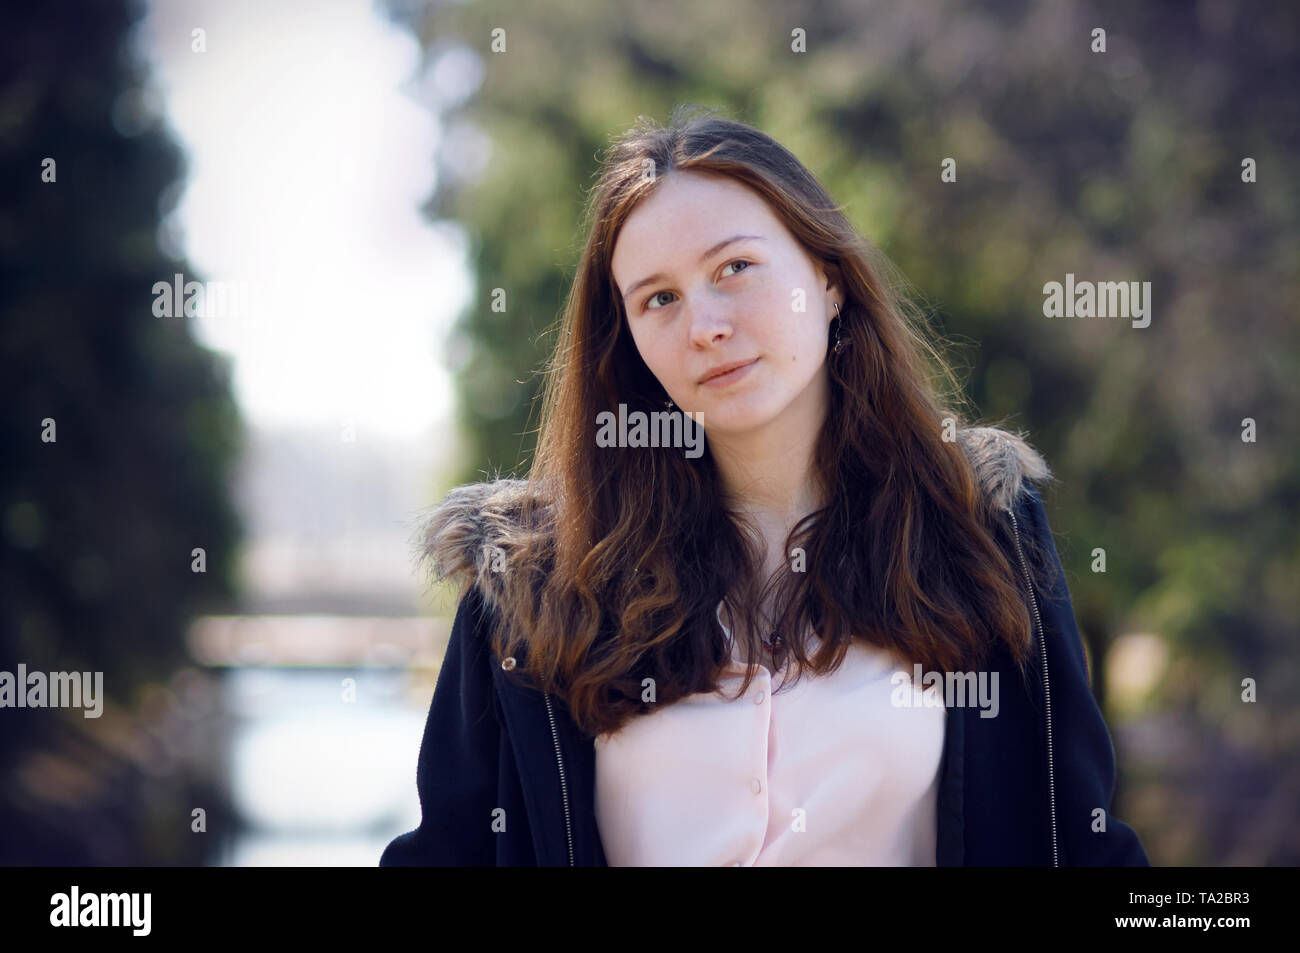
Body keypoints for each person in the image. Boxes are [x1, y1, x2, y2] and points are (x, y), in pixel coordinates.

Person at [380, 106, 1150, 867]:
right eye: (659, 298)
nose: (705, 325)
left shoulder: (981, 531)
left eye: (735, 269)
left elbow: (1083, 848)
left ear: (828, 278)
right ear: (629, 339)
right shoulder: (529, 585)